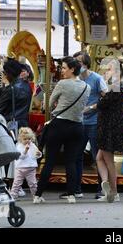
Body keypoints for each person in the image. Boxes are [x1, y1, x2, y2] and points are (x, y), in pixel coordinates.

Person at [34, 56, 90, 204]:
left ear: (72, 69)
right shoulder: (86, 87)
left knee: (50, 161)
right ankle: (71, 195)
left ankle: (38, 195)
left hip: (59, 125)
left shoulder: (62, 84)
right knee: (71, 161)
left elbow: (50, 103)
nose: (62, 71)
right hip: (77, 126)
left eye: (64, 68)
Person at [95, 59, 123, 203]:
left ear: (117, 71)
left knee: (108, 160)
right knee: (99, 158)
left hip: (110, 127)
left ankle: (114, 192)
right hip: (115, 125)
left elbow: (102, 104)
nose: (106, 72)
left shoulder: (117, 85)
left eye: (109, 69)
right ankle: (105, 184)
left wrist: (101, 97)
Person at [73, 52, 107, 199]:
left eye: (79, 62)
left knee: (96, 156)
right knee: (76, 156)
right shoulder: (75, 79)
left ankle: (101, 188)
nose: (77, 65)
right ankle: (76, 188)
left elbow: (106, 98)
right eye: (75, 62)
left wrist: (92, 107)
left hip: (94, 122)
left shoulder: (97, 79)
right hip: (79, 122)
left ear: (86, 63)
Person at [0, 59, 32, 129]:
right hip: (24, 124)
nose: (4, 75)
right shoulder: (28, 86)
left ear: (9, 73)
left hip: (11, 125)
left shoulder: (10, 89)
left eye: (4, 73)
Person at [10, 127, 42, 200]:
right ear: (20, 139)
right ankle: (13, 196)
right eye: (25, 139)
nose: (27, 141)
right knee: (16, 183)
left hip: (31, 167)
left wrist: (39, 154)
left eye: (29, 139)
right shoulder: (18, 146)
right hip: (20, 168)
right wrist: (25, 151)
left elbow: (36, 155)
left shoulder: (32, 145)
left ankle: (36, 196)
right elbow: (20, 156)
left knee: (33, 183)